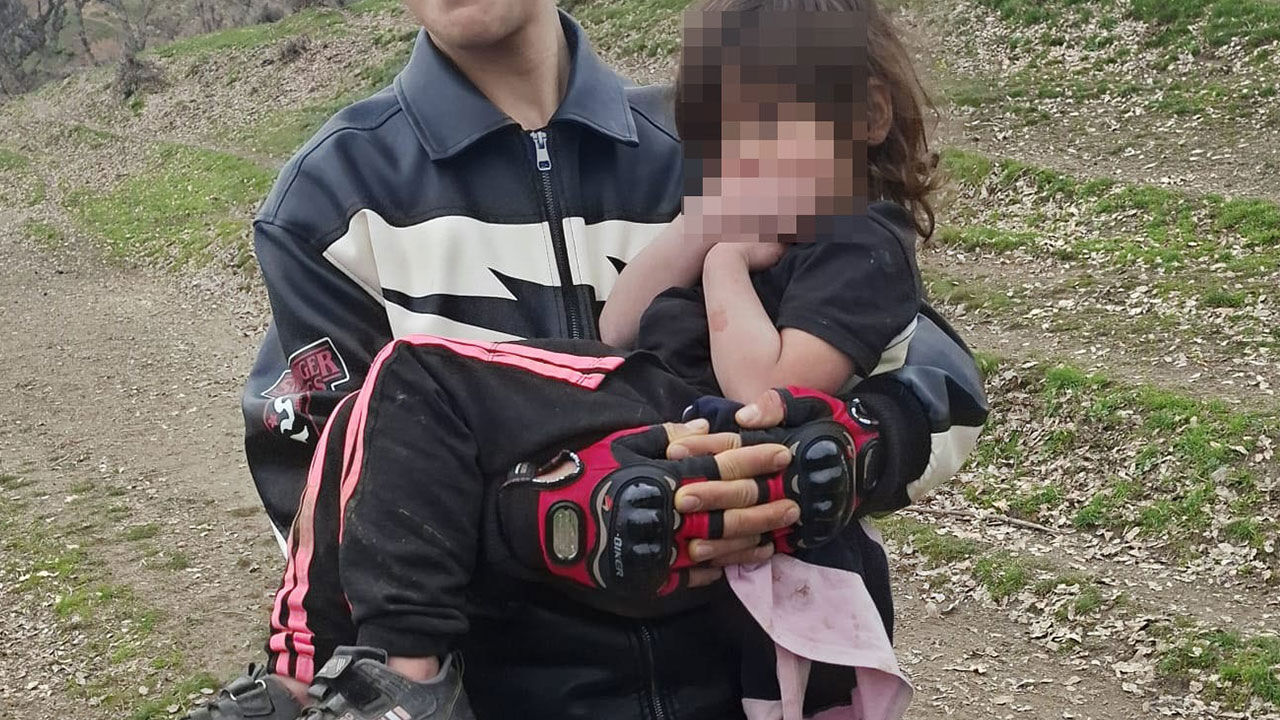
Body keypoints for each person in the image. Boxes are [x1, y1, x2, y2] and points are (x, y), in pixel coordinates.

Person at [210, 0, 988, 718]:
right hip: (495, 693)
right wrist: (532, 525)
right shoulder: (333, 196)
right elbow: (328, 491)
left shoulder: (722, 142)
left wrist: (847, 456)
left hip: (732, 666)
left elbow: (931, 380)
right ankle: (343, 685)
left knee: (418, 378)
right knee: (407, 393)